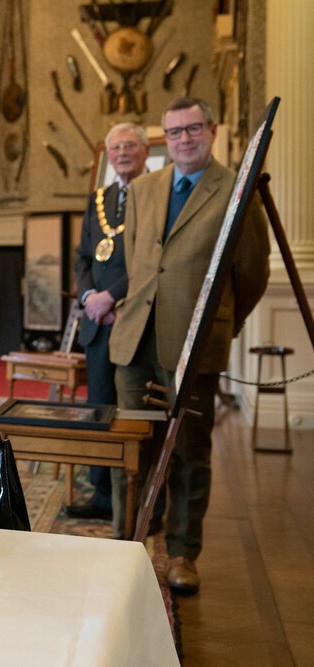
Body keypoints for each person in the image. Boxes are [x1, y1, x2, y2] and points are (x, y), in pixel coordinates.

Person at [110, 97, 270, 594]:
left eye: (192, 129)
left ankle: (182, 553)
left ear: (213, 130)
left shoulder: (235, 192)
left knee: (188, 454)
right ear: (164, 137)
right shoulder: (145, 188)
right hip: (135, 340)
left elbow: (252, 274)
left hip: (192, 347)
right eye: (174, 132)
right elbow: (141, 264)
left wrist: (222, 325)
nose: (184, 139)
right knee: (131, 448)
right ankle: (128, 543)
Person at [67, 122, 150, 521]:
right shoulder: (101, 198)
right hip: (98, 322)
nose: (121, 153)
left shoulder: (157, 196)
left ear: (145, 150)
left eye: (130, 145)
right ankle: (101, 497)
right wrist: (89, 298)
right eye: (115, 147)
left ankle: (141, 500)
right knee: (99, 408)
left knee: (133, 414)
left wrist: (111, 296)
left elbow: (151, 259)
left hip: (137, 320)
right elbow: (83, 256)